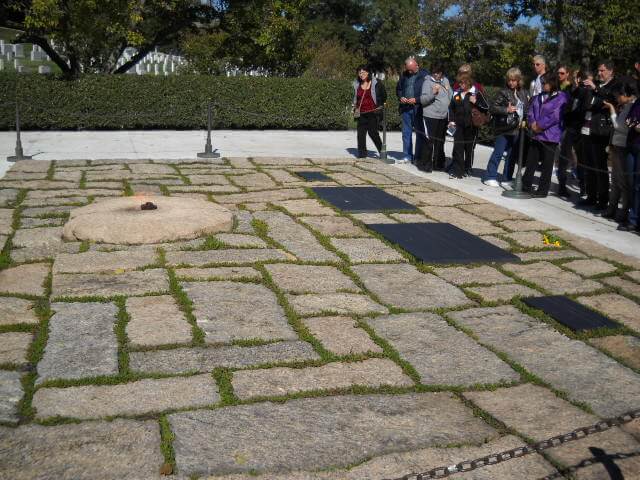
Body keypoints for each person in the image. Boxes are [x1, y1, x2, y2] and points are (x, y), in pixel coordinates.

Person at [579, 60, 620, 210]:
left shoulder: (614, 86)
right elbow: (588, 104)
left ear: (610, 71)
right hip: (586, 129)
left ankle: (602, 200)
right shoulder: (594, 85)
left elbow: (611, 100)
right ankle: (591, 196)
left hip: (601, 131)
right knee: (588, 165)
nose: (600, 73)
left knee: (599, 166)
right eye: (599, 70)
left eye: (602, 70)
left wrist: (596, 89)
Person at [522, 73, 569, 197]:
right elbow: (531, 111)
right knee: (531, 160)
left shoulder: (561, 97)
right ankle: (525, 185)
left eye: (545, 83)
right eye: (542, 83)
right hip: (536, 134)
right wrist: (532, 123)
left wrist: (540, 126)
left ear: (553, 83)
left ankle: (542, 190)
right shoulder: (538, 97)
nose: (543, 85)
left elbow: (555, 116)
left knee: (547, 165)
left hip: (550, 136)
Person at [483, 67, 528, 187]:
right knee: (498, 152)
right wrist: (506, 109)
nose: (511, 82)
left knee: (511, 156)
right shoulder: (503, 92)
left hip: (517, 129)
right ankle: (489, 176)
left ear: (519, 80)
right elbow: (492, 108)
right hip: (504, 128)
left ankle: (506, 178)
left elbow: (526, 108)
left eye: (514, 80)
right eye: (509, 80)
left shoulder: (523, 93)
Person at [602, 78, 638, 227]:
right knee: (615, 180)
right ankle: (612, 208)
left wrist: (611, 110)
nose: (617, 98)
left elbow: (620, 127)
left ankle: (624, 212)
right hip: (616, 146)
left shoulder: (631, 107)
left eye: (618, 95)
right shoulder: (624, 106)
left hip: (623, 147)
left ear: (625, 94)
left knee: (623, 183)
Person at [448, 72, 489, 179]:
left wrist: (476, 102)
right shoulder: (456, 96)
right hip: (458, 126)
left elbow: (486, 107)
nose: (461, 85)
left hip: (471, 126)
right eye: (460, 83)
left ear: (469, 83)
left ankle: (467, 169)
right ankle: (458, 171)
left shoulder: (476, 94)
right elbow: (451, 109)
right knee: (458, 148)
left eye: (463, 83)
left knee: (469, 149)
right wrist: (451, 121)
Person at [418, 63, 452, 172]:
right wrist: (433, 93)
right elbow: (423, 100)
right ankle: (425, 165)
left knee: (440, 142)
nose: (437, 75)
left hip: (443, 117)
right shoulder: (427, 82)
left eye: (439, 73)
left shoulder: (445, 81)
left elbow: (450, 97)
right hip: (430, 116)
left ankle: (438, 164)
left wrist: (448, 90)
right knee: (429, 141)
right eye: (435, 73)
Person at [396, 57, 429, 163]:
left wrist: (417, 99)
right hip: (406, 108)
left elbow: (428, 94)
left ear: (417, 66)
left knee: (420, 133)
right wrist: (401, 97)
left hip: (418, 108)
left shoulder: (425, 76)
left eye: (411, 69)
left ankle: (418, 157)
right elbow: (399, 89)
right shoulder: (404, 75)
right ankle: (407, 156)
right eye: (407, 69)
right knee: (406, 133)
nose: (409, 71)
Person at [352, 64, 386, 159]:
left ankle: (382, 152)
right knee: (361, 134)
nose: (361, 74)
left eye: (363, 72)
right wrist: (354, 106)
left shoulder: (376, 83)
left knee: (373, 133)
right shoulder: (357, 84)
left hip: (373, 112)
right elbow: (355, 97)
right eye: (359, 73)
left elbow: (383, 96)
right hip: (361, 112)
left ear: (368, 73)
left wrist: (380, 106)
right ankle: (362, 154)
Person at [626, 96, 640, 233]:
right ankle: (632, 216)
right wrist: (630, 121)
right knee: (631, 182)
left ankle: (634, 219)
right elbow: (630, 117)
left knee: (638, 185)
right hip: (632, 144)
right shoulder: (637, 101)